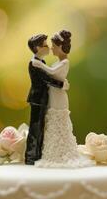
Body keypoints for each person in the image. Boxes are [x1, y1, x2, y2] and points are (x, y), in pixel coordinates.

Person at [25, 34, 68, 165]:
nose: (48, 47)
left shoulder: (41, 62)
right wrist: (62, 84)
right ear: (37, 48)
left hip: (42, 99)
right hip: (37, 99)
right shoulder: (34, 63)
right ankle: (31, 157)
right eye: (45, 45)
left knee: (40, 127)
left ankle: (37, 154)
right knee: (36, 128)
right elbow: (46, 78)